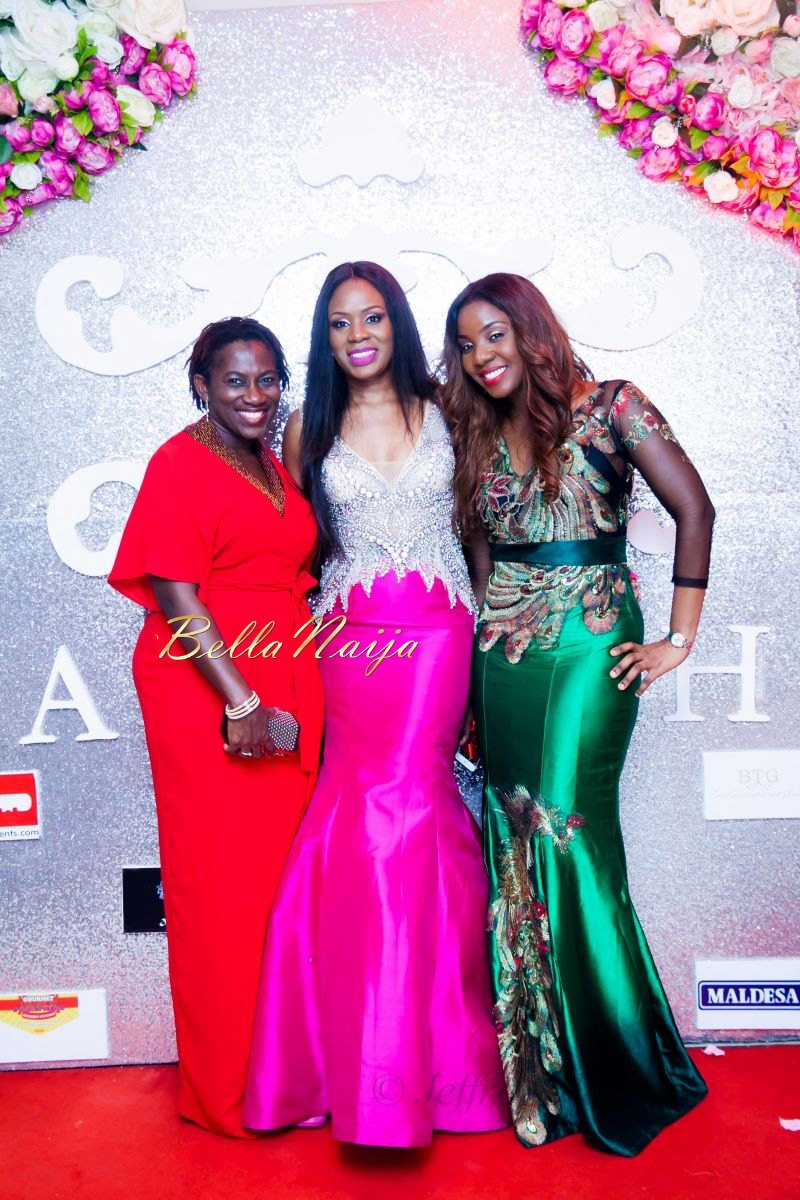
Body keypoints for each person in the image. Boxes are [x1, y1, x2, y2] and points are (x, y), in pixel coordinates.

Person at [440, 273, 713, 1156]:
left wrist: (678, 639)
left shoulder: (614, 406)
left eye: (494, 335)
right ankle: (542, 1068)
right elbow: (483, 569)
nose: (482, 356)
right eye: (466, 345)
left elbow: (695, 507)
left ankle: (616, 1059)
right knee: (511, 844)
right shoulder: (475, 434)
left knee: (567, 832)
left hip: (593, 644)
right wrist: (477, 683)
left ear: (531, 329)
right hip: (504, 655)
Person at [243, 262, 509, 1146]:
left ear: (397, 323)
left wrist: (495, 636)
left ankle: (441, 1068)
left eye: (372, 318)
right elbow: (293, 544)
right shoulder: (305, 429)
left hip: (441, 632)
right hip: (351, 639)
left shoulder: (448, 409)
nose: (357, 336)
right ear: (326, 339)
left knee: (418, 804)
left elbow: (477, 531)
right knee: (357, 810)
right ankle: (344, 1061)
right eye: (339, 323)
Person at [108, 317, 324, 1137]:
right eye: (235, 380)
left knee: (277, 891)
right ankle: (227, 1093)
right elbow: (174, 591)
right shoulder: (179, 460)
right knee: (223, 892)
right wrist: (240, 703)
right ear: (202, 384)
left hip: (280, 668)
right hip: (209, 682)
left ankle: (283, 1078)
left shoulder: (268, 462)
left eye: (268, 379)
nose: (255, 395)